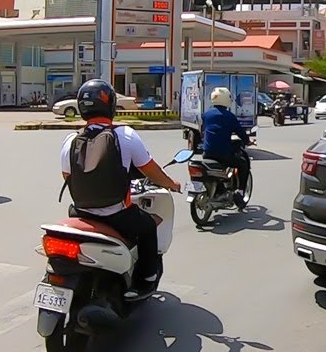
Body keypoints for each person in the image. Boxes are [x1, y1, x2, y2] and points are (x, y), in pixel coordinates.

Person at [61, 79, 182, 301]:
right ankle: (145, 280)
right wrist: (171, 184)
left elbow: (68, 177)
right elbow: (150, 170)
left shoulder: (70, 140)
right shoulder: (124, 135)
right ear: (111, 105)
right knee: (147, 227)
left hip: (81, 213)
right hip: (116, 215)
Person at [202, 87, 252, 208]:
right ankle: (240, 192)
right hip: (223, 154)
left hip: (207, 153)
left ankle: (219, 189)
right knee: (243, 165)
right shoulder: (229, 117)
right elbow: (241, 133)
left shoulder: (206, 115)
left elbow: (204, 130)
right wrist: (248, 141)